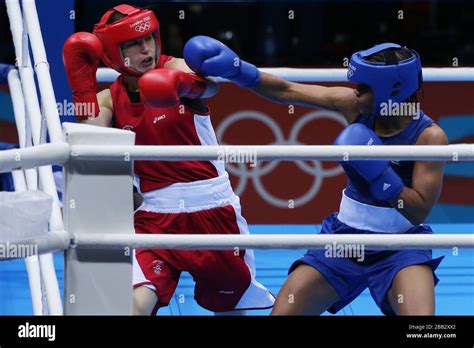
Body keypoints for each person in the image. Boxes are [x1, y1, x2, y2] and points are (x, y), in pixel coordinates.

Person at [183, 37, 448, 315]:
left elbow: (418, 211)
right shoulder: (355, 106)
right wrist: (238, 70)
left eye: (364, 88)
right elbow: (286, 90)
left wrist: (380, 173)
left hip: (400, 247)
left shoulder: (429, 137)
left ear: (393, 90)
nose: (355, 93)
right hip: (343, 240)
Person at [62, 4, 274, 315]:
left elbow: (211, 87)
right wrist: (83, 88)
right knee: (136, 307)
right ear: (112, 53)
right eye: (133, 43)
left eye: (148, 38)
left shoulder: (176, 66)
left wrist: (183, 85)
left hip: (212, 211)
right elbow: (88, 139)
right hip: (153, 218)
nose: (145, 48)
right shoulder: (109, 98)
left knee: (230, 310)